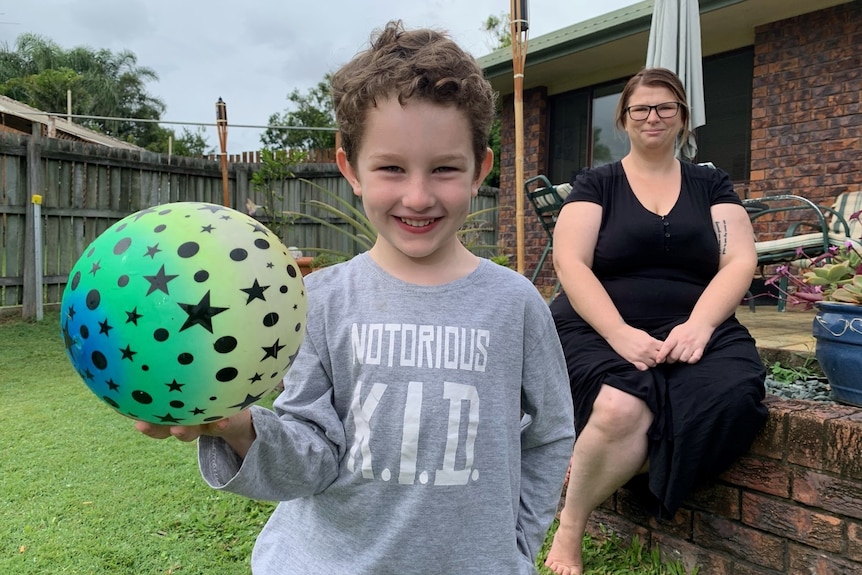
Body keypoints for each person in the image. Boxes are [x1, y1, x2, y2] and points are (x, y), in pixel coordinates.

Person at [136, 20, 575, 575]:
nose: (418, 196)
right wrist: (237, 426)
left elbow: (552, 433)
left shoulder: (516, 304)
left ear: (480, 168)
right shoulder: (317, 301)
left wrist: (517, 546)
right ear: (350, 168)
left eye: (444, 168)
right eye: (391, 167)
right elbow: (311, 458)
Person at [543, 67, 767, 575]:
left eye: (666, 107)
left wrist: (702, 325)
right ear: (624, 118)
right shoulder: (596, 183)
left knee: (728, 397)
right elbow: (570, 263)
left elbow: (739, 260)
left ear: (683, 119)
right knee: (622, 406)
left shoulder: (711, 184)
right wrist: (619, 334)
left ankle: (597, 455)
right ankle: (571, 526)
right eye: (641, 108)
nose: (653, 116)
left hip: (695, 319)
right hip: (598, 321)